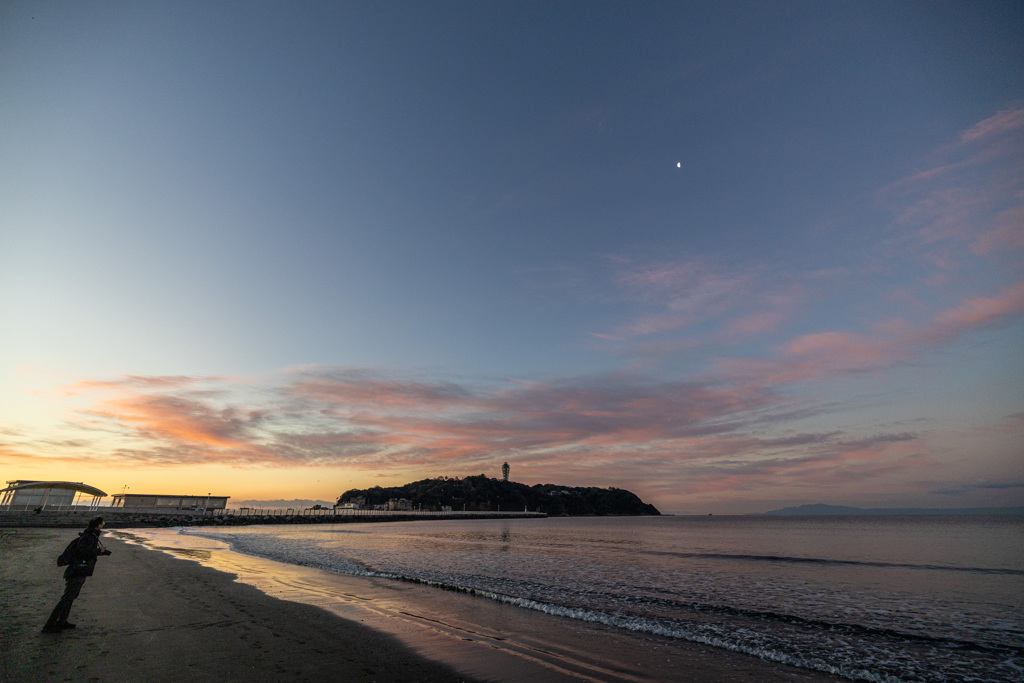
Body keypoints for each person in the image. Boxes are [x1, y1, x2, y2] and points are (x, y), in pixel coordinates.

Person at [42, 516, 112, 633]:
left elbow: (85, 552)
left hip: (80, 569)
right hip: (78, 570)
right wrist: (100, 551)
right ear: (98, 525)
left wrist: (102, 553)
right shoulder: (89, 536)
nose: (103, 525)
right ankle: (50, 625)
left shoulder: (90, 535)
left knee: (70, 597)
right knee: (67, 598)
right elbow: (83, 552)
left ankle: (62, 621)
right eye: (102, 523)